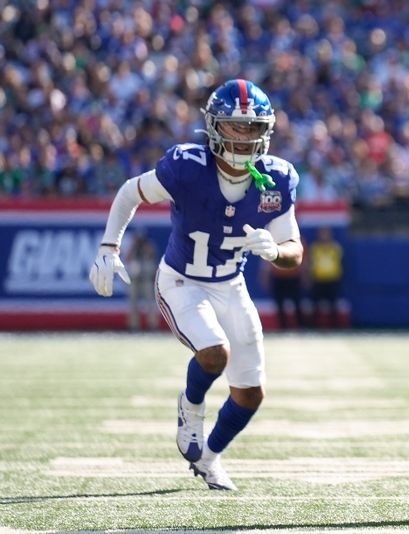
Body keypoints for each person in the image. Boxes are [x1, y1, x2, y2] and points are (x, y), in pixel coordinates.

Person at [89, 79, 304, 491]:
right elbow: (129, 192)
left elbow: (294, 248)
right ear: (213, 127)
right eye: (234, 127)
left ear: (266, 130)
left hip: (230, 285)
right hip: (181, 280)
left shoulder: (276, 178)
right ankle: (190, 406)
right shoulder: (187, 165)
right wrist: (108, 246)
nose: (243, 137)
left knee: (252, 393)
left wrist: (276, 252)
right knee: (214, 352)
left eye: (251, 127)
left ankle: (209, 458)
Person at [308, 226, 344, 328]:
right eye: (322, 233)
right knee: (315, 305)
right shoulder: (315, 247)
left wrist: (339, 276)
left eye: (326, 233)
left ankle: (335, 326)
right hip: (318, 279)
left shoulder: (335, 247)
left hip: (332, 279)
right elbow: (310, 263)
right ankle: (314, 326)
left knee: (333, 304)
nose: (324, 236)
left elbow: (340, 263)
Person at [125, 229, 159, 331]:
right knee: (133, 303)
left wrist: (144, 249)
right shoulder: (132, 248)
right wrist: (134, 248)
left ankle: (152, 325)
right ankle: (134, 326)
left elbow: (152, 255)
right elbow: (127, 258)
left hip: (146, 279)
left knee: (150, 303)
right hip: (134, 280)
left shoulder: (148, 246)